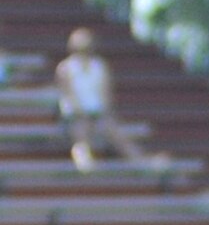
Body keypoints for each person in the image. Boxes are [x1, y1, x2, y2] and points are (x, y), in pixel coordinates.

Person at [54, 29, 154, 173]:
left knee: (115, 131)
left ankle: (138, 161)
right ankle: (85, 163)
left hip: (97, 112)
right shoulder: (65, 68)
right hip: (74, 114)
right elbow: (69, 95)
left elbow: (105, 93)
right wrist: (82, 112)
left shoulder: (99, 66)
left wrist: (102, 112)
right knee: (81, 130)